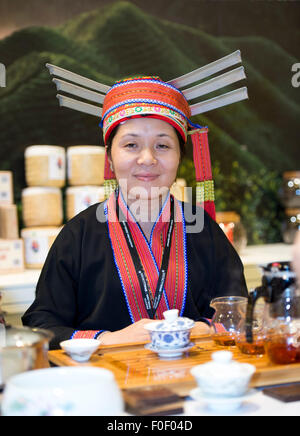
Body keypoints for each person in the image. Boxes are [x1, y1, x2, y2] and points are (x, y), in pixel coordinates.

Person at [22, 75, 248, 349]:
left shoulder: (205, 229)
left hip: (193, 382)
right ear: (109, 157)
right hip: (104, 385)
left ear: (179, 157)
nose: (147, 159)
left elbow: (237, 312)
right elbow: (41, 324)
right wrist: (107, 340)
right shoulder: (78, 234)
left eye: (162, 145)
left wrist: (205, 330)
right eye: (131, 145)